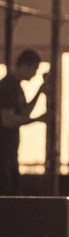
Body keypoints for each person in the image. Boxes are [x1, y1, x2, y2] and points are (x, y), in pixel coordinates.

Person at [0, 49, 46, 197]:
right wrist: (38, 119)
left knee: (12, 193)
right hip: (3, 152)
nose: (35, 74)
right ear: (26, 66)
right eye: (35, 69)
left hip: (10, 152)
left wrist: (40, 92)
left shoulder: (17, 87)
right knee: (6, 195)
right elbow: (8, 121)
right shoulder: (8, 86)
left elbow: (24, 113)